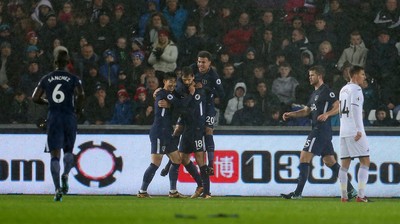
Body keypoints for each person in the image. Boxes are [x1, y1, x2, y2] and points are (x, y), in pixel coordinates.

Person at [280, 65, 356, 200]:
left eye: (312, 75)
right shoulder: (314, 93)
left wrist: (327, 114)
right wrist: (291, 114)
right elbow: (307, 111)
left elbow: (338, 106)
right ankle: (351, 190)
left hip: (320, 130)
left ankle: (297, 193)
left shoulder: (326, 91)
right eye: (309, 75)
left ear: (319, 76)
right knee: (330, 162)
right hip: (322, 131)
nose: (310, 77)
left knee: (304, 157)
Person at [31, 48, 85, 201]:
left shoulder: (46, 78)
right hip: (69, 117)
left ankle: (57, 190)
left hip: (54, 117)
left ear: (54, 62)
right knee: (68, 151)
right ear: (67, 63)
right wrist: (78, 110)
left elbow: (35, 98)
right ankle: (66, 174)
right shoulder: (73, 78)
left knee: (55, 155)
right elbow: (81, 94)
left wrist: (48, 102)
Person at [137, 72, 194, 198]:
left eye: (174, 81)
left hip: (167, 132)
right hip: (159, 132)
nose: (173, 84)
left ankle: (173, 192)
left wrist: (172, 105)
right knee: (155, 163)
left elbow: (178, 103)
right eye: (170, 81)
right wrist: (191, 94)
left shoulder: (169, 94)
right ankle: (142, 191)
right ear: (164, 81)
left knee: (176, 160)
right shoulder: (163, 94)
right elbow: (181, 105)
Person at [338, 65, 371, 202]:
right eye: (362, 74)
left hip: (343, 131)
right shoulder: (356, 89)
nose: (364, 77)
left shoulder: (343, 89)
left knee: (344, 165)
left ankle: (344, 196)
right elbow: (355, 108)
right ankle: (361, 195)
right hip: (354, 130)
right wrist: (358, 129)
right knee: (365, 161)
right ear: (355, 75)